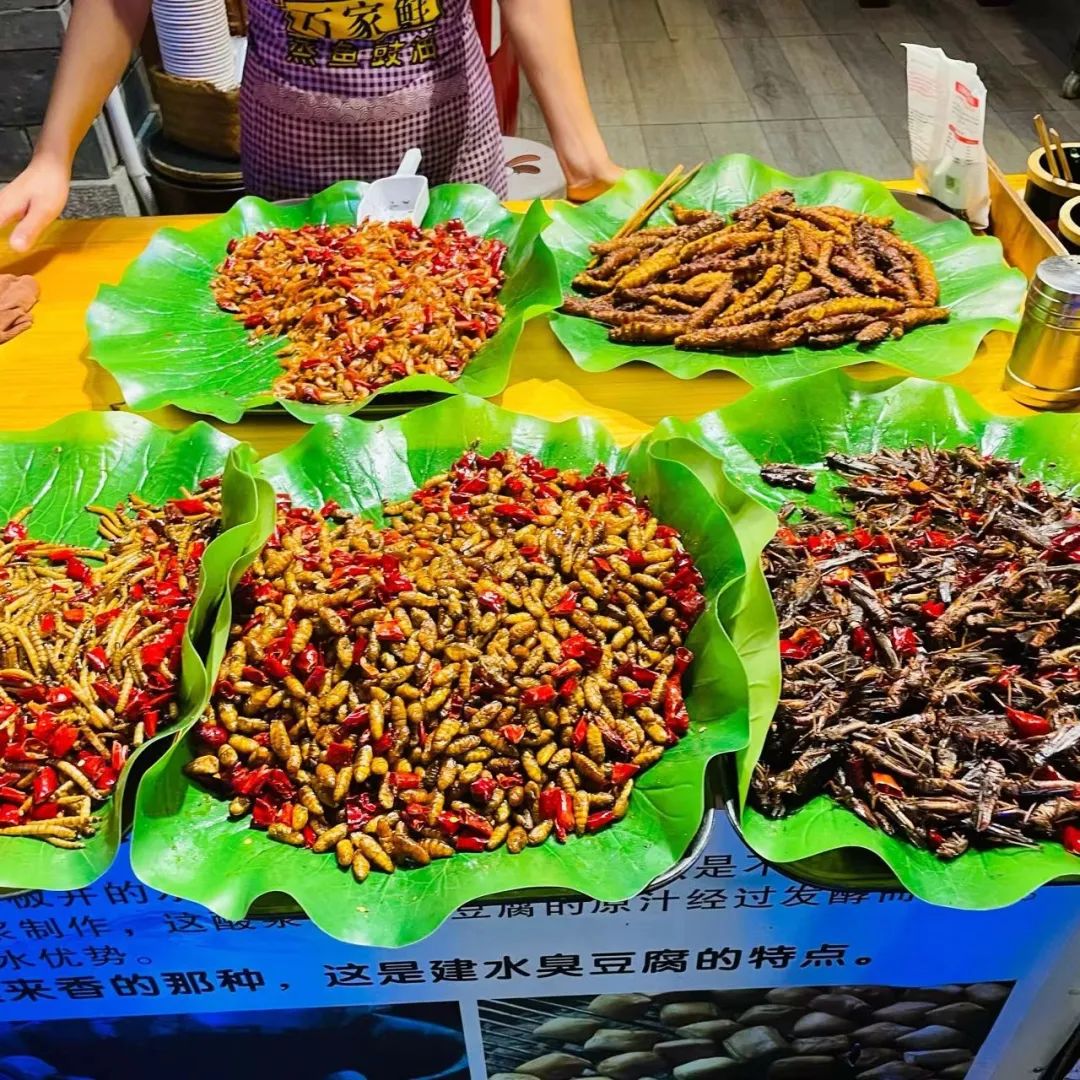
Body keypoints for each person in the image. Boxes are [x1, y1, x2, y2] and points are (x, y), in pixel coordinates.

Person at [0, 0, 620, 251]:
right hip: (292, 143)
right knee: (306, 329)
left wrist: (583, 157)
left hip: (448, 133)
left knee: (466, 317)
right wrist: (53, 155)